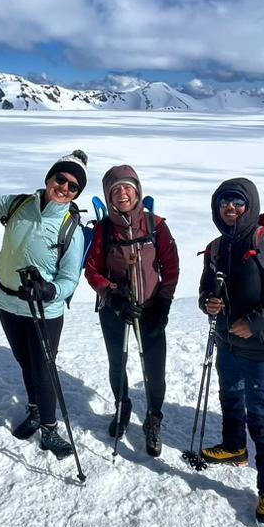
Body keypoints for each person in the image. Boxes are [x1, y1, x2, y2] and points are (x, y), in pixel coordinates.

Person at [196, 178, 264, 527]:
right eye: (224, 202)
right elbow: (204, 291)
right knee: (229, 396)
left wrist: (254, 321)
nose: (231, 208)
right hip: (228, 341)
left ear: (251, 205)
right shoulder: (215, 248)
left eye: (238, 202)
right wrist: (208, 304)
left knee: (260, 416)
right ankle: (233, 446)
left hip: (263, 347)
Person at [0, 151, 88, 459]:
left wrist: (48, 290)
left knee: (44, 369)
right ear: (49, 178)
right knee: (25, 362)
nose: (65, 188)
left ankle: (49, 429)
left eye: (73, 187)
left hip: (44, 312)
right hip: (8, 303)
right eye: (61, 179)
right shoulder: (18, 205)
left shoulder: (71, 229)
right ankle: (33, 409)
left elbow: (70, 279)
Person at [85, 165, 179, 456]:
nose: (122, 193)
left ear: (137, 190)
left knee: (155, 369)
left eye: (127, 187)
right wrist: (114, 297)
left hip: (151, 308)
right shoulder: (103, 230)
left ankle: (153, 418)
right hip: (115, 309)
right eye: (115, 190)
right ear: (108, 197)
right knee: (118, 363)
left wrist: (163, 303)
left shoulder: (156, 225)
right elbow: (92, 271)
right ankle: (122, 406)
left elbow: (171, 267)